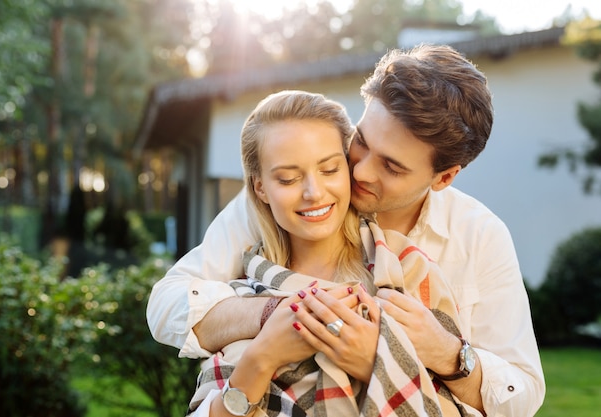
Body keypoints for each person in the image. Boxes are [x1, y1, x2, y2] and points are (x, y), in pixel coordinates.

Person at [147, 44, 545, 416]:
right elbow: (167, 306)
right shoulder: (291, 202)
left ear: (444, 177)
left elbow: (522, 394)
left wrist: (442, 353)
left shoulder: (478, 236)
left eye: (391, 166)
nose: (360, 171)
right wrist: (279, 313)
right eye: (362, 141)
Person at [186, 90, 468, 417]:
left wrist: (373, 362)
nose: (313, 192)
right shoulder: (241, 294)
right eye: (288, 178)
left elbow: (458, 406)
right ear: (260, 187)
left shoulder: (409, 270)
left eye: (330, 169)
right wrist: (262, 357)